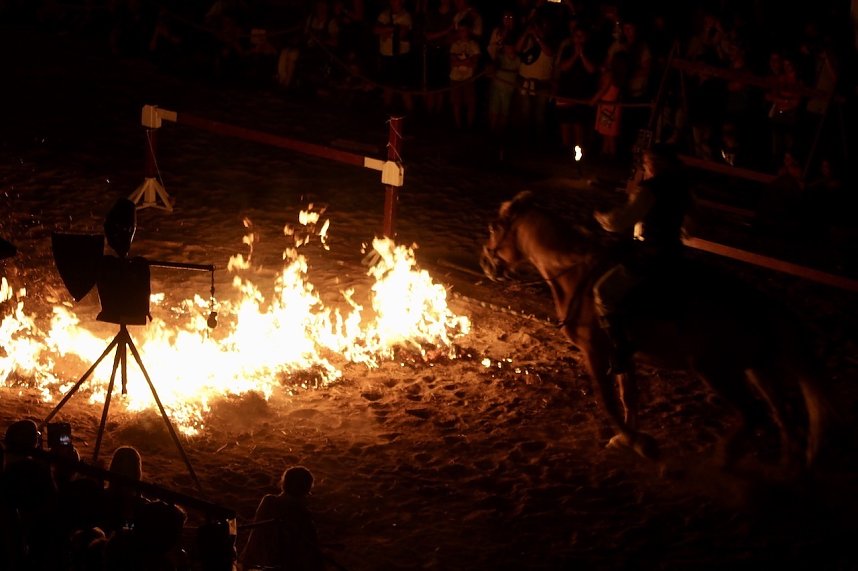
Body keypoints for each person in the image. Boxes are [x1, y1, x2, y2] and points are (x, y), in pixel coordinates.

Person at [592, 144, 691, 375]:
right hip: (674, 252)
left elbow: (619, 222)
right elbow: (692, 225)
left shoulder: (650, 190)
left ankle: (620, 347)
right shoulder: (682, 186)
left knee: (602, 291)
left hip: (651, 255)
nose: (644, 167)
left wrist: (601, 216)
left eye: (646, 163)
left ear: (657, 163)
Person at [240, 465, 323, 571]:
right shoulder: (301, 514)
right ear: (306, 489)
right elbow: (311, 552)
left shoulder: (268, 501)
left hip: (253, 563)